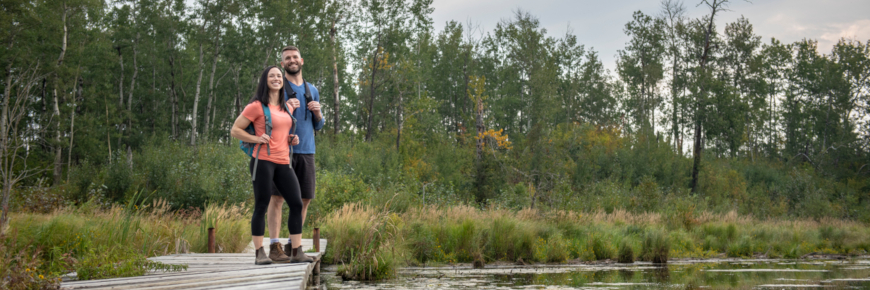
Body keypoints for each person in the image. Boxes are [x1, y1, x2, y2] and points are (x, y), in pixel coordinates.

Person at [230, 66, 313, 265]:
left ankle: (296, 251)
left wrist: (290, 138)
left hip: (284, 162)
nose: (276, 78)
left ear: (282, 80)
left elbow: (282, 131)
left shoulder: (287, 107)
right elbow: (235, 130)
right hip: (263, 161)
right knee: (261, 205)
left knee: (296, 203)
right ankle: (259, 253)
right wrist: (256, 138)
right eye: (271, 76)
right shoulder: (256, 106)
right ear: (265, 81)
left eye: (278, 76)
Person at [266, 46, 324, 260]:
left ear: (301, 60)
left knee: (305, 198)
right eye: (286, 58)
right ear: (282, 64)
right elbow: (266, 118)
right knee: (277, 198)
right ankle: (274, 246)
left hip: (307, 151)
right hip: (281, 152)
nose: (291, 60)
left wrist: (318, 113)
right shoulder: (278, 88)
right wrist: (285, 109)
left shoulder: (312, 90)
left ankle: (293, 245)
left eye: (294, 57)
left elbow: (318, 126)